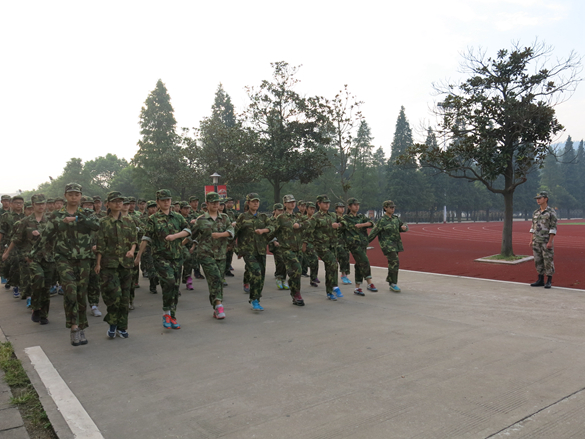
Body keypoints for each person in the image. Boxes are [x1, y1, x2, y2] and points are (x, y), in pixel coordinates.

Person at [30, 183, 100, 346]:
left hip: (83, 259)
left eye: (77, 194)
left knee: (81, 294)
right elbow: (46, 235)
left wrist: (77, 218)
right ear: (65, 196)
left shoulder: (87, 213)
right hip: (63, 259)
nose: (74, 197)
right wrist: (33, 253)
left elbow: (97, 225)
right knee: (70, 292)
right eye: (71, 194)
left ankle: (81, 327)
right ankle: (74, 328)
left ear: (81, 196)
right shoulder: (56, 215)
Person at [135, 189, 191, 329]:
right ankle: (166, 312)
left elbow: (188, 231)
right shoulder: (152, 219)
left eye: (168, 199)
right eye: (163, 200)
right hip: (161, 257)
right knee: (169, 282)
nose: (166, 202)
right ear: (158, 202)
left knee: (175, 286)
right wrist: (138, 255)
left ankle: (173, 315)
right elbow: (146, 237)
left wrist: (175, 236)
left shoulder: (178, 217)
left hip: (177, 257)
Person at [95, 191, 137, 339]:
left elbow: (134, 240)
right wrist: (98, 264)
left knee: (125, 298)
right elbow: (100, 244)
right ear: (108, 204)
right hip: (109, 264)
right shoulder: (103, 222)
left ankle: (122, 326)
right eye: (115, 201)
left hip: (126, 264)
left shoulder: (129, 221)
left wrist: (132, 251)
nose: (118, 204)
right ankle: (112, 323)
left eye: (120, 201)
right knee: (114, 296)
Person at [190, 192, 234, 319]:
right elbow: (192, 235)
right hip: (205, 254)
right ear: (207, 204)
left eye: (217, 202)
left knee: (218, 279)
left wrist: (221, 235)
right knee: (214, 277)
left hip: (221, 254)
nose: (216, 205)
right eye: (213, 202)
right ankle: (219, 305)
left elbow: (231, 230)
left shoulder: (225, 217)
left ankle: (215, 305)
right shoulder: (201, 220)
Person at [235, 193, 274, 311]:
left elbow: (272, 227)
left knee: (261, 275)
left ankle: (257, 297)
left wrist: (263, 230)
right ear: (248, 203)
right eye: (253, 201)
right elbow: (234, 233)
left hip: (261, 250)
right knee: (256, 272)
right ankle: (254, 299)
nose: (255, 203)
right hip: (248, 251)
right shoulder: (243, 217)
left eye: (257, 201)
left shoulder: (263, 217)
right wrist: (237, 250)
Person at [272, 195, 308, 306]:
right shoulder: (281, 218)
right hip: (286, 249)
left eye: (293, 201)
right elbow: (273, 230)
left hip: (298, 249)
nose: (292, 204)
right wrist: (273, 240)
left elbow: (308, 224)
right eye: (289, 202)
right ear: (285, 204)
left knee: (296, 272)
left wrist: (300, 225)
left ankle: (294, 293)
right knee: (296, 269)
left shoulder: (298, 216)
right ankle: (297, 294)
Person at [368, 200, 408, 292]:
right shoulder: (382, 221)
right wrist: (365, 243)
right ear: (385, 208)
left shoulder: (395, 219)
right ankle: (393, 283)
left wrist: (404, 228)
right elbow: (373, 233)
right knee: (395, 261)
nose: (393, 209)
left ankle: (391, 282)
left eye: (393, 207)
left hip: (396, 244)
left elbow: (403, 226)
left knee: (392, 263)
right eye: (391, 207)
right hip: (387, 245)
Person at [341, 198, 377, 296]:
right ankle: (369, 283)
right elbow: (341, 226)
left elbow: (372, 223)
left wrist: (361, 225)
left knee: (359, 264)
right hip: (353, 244)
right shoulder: (346, 218)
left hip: (362, 243)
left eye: (358, 205)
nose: (357, 206)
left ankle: (357, 288)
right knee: (364, 261)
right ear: (349, 206)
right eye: (354, 205)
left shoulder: (361, 217)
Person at [312, 195, 343, 301]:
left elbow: (344, 222)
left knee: (331, 267)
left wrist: (339, 225)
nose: (327, 205)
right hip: (321, 245)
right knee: (333, 263)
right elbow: (308, 230)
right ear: (319, 204)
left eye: (328, 203)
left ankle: (329, 291)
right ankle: (335, 286)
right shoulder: (315, 217)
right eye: (324, 203)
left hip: (332, 245)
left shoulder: (333, 215)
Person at [529, 191, 557, 289]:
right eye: (537, 198)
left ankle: (549, 280)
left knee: (548, 260)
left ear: (546, 199)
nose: (538, 200)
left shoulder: (551, 212)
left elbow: (553, 228)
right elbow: (533, 226)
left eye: (540, 198)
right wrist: (531, 239)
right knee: (538, 260)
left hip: (546, 241)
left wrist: (550, 241)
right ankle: (540, 279)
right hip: (536, 240)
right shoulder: (536, 213)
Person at [301, 202, 320, 287]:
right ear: (306, 209)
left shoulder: (316, 219)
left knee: (314, 260)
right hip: (305, 242)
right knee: (311, 259)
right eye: (311, 209)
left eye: (313, 209)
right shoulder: (303, 219)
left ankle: (313, 278)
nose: (312, 210)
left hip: (314, 243)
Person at [335, 202, 351, 285]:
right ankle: (343, 275)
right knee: (342, 257)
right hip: (337, 241)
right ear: (336, 209)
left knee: (346, 257)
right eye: (340, 207)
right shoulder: (334, 217)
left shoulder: (345, 218)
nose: (342, 209)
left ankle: (345, 275)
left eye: (343, 207)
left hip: (345, 241)